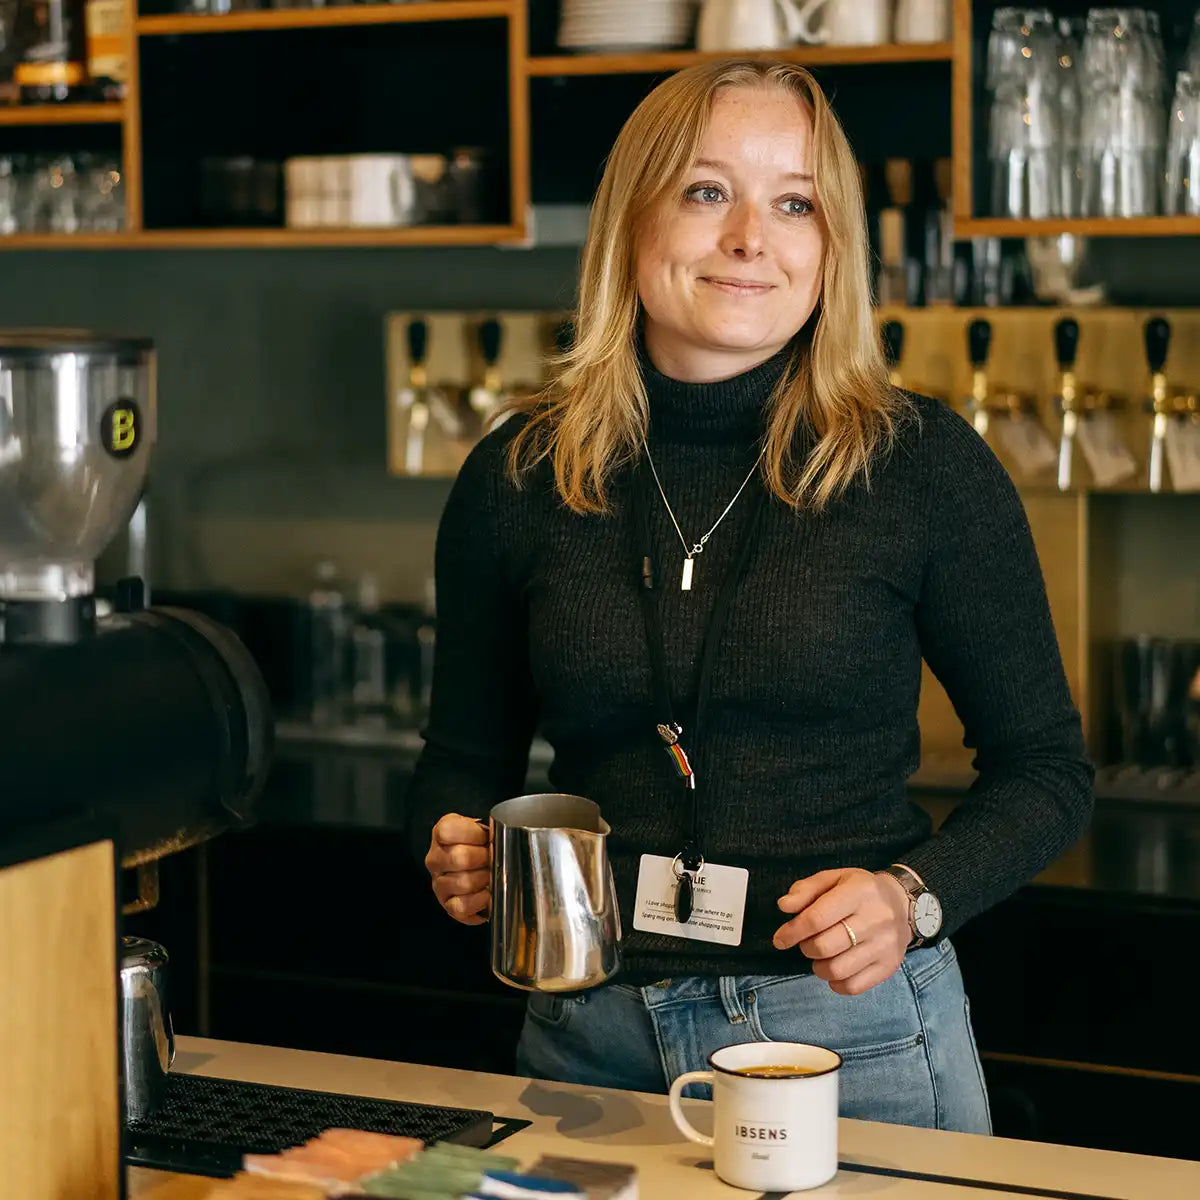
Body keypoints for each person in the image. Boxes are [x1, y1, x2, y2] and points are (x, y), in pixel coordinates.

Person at [405, 59, 1094, 1134]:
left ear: (834, 247)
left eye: (795, 202)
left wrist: (910, 897)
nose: (749, 238)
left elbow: (1048, 771)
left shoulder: (921, 468)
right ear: (632, 217)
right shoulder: (519, 478)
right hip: (586, 1032)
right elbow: (460, 763)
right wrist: (452, 846)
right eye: (705, 190)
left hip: (851, 1035)